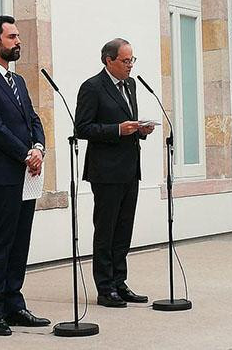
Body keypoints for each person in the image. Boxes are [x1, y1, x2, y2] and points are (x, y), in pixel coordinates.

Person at [0, 15, 50, 336]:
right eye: (12, 37)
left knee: (20, 241)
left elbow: (33, 118)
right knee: (1, 241)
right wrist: (25, 153)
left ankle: (15, 305)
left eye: (17, 37)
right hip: (1, 175)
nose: (18, 42)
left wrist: (39, 146)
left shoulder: (18, 81)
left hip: (27, 174)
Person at [75, 38, 155, 308]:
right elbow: (83, 128)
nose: (130, 65)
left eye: (132, 60)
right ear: (109, 61)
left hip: (130, 168)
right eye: (125, 61)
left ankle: (120, 282)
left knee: (124, 229)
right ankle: (105, 287)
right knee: (106, 229)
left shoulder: (131, 85)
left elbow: (127, 120)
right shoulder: (92, 87)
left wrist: (140, 130)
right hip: (106, 171)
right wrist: (117, 130)